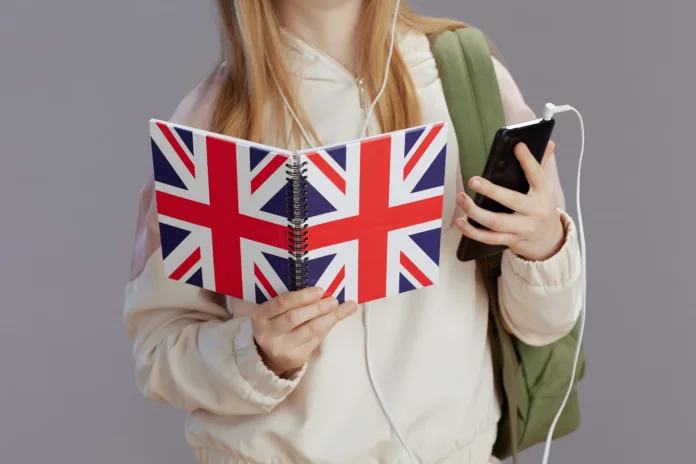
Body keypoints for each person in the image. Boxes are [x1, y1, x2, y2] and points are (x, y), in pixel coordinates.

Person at [124, 1, 583, 463]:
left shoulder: (465, 76)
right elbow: (159, 350)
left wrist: (542, 247)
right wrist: (258, 354)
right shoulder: (211, 123)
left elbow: (546, 326)